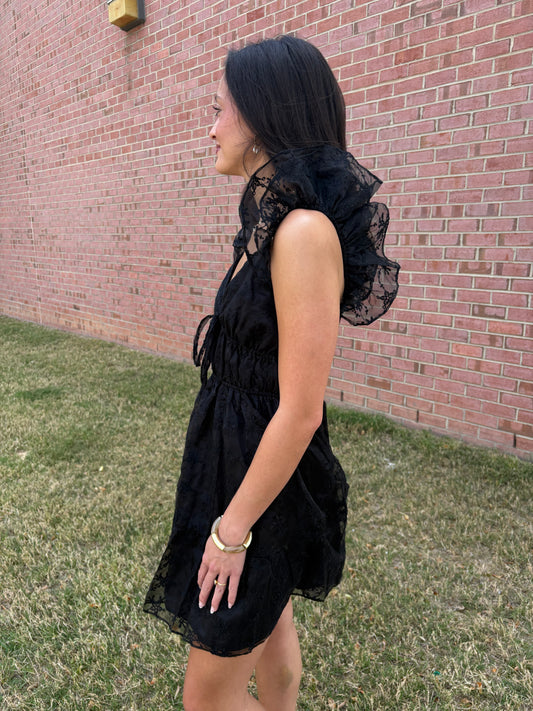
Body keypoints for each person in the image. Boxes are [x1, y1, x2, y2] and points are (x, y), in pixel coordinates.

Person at [144, 35, 399, 711]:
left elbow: (301, 408)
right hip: (235, 459)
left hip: (265, 477)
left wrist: (231, 532)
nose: (211, 128)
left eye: (219, 109)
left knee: (207, 698)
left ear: (261, 118)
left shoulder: (302, 232)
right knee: (271, 633)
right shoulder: (269, 218)